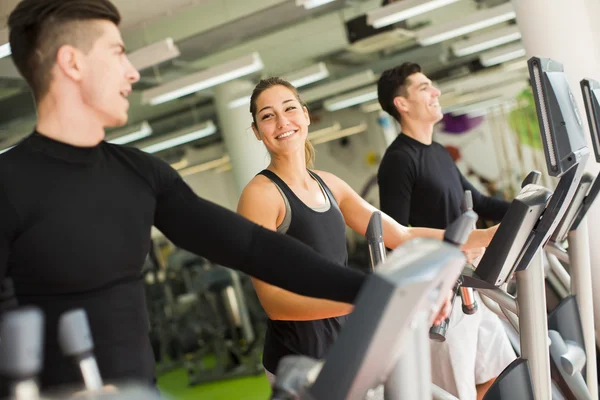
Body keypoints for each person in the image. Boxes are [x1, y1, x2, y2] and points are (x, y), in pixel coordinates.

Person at [0, 0, 370, 395]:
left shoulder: (139, 173)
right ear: (73, 63)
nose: (132, 72)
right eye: (118, 53)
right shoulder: (9, 185)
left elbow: (251, 246)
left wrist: (369, 292)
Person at [236, 76, 499, 385]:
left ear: (305, 115)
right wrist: (368, 298)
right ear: (257, 131)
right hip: (299, 357)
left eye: (289, 108)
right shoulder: (260, 196)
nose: (282, 121)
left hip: (347, 343)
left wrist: (486, 236)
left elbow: (400, 234)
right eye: (268, 116)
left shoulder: (329, 183)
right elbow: (275, 302)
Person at [376, 62, 516, 400]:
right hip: (437, 297)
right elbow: (395, 236)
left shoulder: (437, 152)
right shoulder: (399, 161)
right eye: (424, 87)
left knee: (498, 370)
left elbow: (479, 200)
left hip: (466, 287)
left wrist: (530, 212)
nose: (435, 91)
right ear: (402, 104)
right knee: (458, 391)